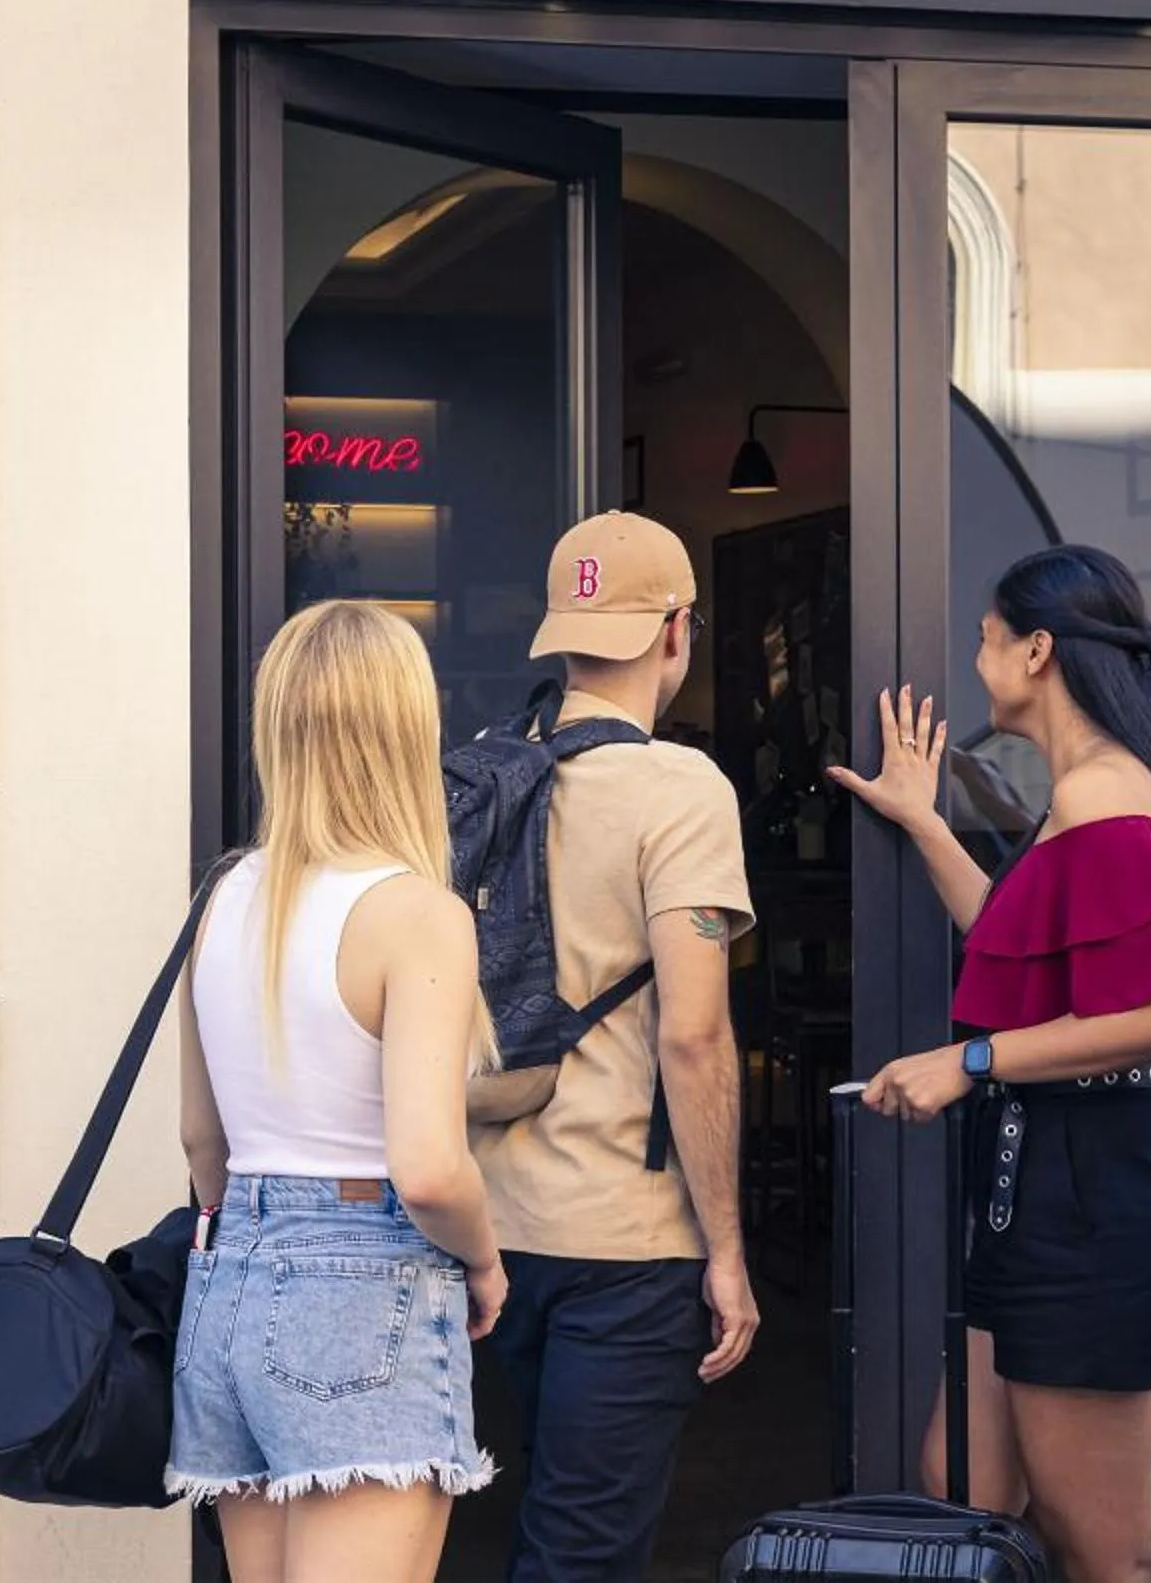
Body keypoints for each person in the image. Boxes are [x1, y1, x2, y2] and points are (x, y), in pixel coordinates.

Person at [832, 543, 1151, 1583]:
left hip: (1094, 1200)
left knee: (1104, 1549)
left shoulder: (1109, 795)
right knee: (966, 1483)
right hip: (1048, 1190)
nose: (977, 662)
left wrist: (971, 1059)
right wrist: (925, 818)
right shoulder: (1083, 795)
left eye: (985, 640)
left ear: (1038, 649)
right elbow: (1017, 956)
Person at [168, 600, 505, 1583]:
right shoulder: (415, 913)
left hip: (227, 1286)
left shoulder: (227, 896)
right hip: (364, 1285)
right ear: (410, 728)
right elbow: (432, 1167)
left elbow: (203, 1144)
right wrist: (484, 1261)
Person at [472, 511, 760, 1583]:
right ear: (678, 629)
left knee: (511, 1527)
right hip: (623, 1248)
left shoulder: (485, 778)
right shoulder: (679, 790)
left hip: (482, 1228)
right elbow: (692, 1035)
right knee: (582, 1551)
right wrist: (726, 1248)